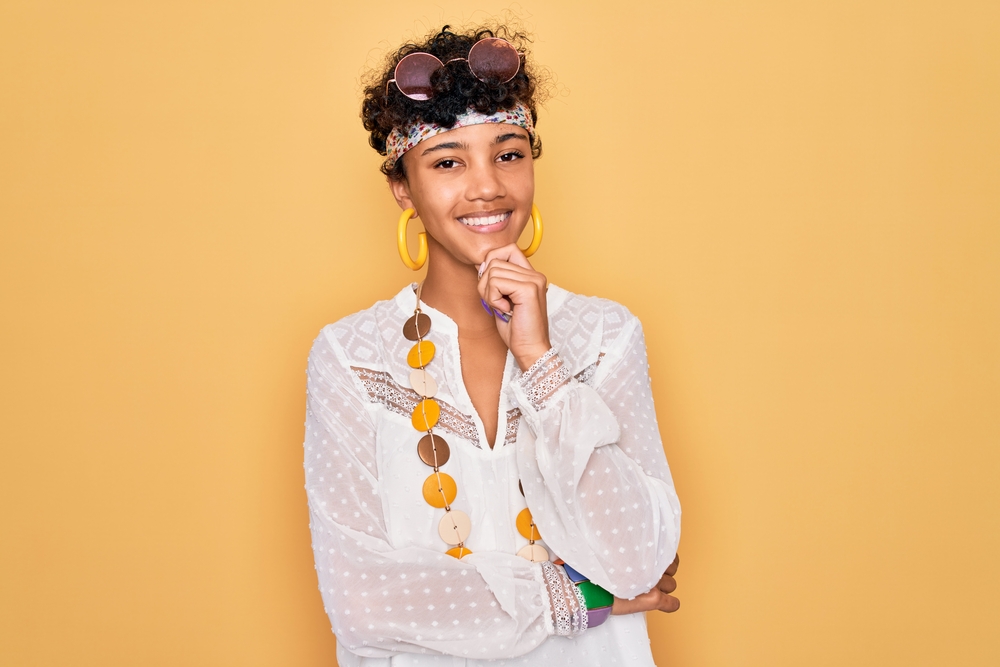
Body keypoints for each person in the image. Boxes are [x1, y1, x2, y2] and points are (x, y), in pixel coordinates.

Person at [304, 23, 682, 667]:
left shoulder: (604, 337)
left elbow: (639, 559)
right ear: (403, 187)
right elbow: (362, 601)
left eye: (508, 153)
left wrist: (541, 362)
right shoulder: (351, 355)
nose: (487, 187)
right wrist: (581, 597)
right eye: (448, 161)